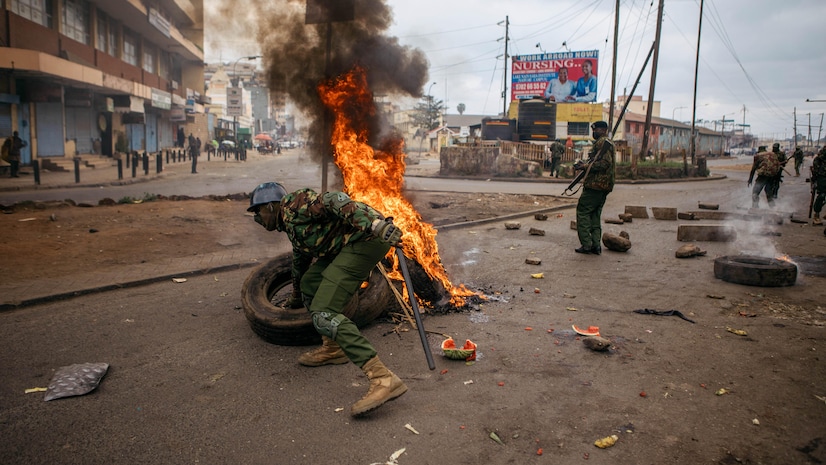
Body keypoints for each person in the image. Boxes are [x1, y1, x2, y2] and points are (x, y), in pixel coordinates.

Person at [247, 182, 408, 417]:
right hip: (348, 243)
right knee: (310, 284)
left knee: (324, 311)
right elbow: (300, 262)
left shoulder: (294, 205)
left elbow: (334, 199)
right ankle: (334, 348)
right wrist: (295, 297)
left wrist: (374, 225)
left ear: (271, 207)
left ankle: (383, 378)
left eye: (257, 212)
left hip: (366, 238)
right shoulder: (291, 227)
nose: (257, 219)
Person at [574, 121, 615, 254]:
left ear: (602, 130)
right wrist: (585, 164)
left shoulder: (603, 143)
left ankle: (586, 244)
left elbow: (604, 164)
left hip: (596, 185)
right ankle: (595, 245)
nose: (594, 132)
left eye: (596, 129)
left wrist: (584, 167)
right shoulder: (607, 143)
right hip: (603, 185)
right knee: (595, 215)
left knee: (583, 211)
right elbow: (597, 161)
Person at [811, 147, 826, 225]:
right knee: (822, 196)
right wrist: (814, 179)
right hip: (822, 178)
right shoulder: (819, 159)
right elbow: (815, 170)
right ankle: (816, 215)